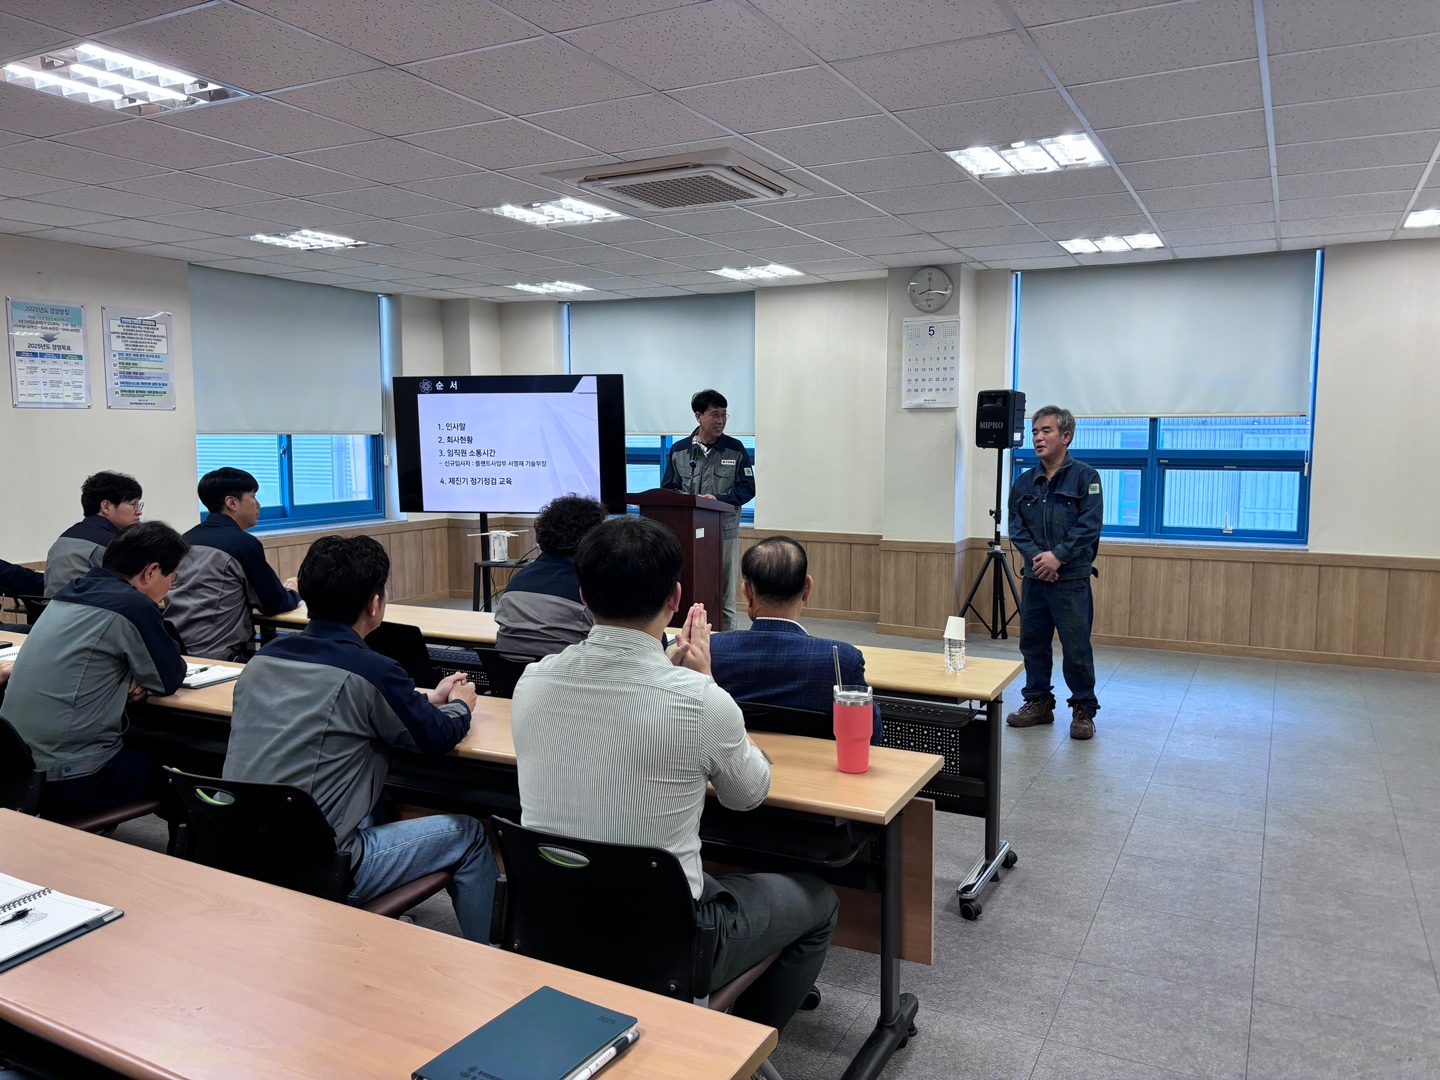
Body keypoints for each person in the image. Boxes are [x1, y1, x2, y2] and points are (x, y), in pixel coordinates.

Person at [512, 516, 837, 1033]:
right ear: (675, 597)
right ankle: (738, 1048)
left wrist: (676, 672)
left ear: (583, 596)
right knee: (820, 900)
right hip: (665, 942)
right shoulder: (701, 701)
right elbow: (748, 795)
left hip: (552, 922)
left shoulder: (532, 682)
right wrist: (707, 685)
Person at [223, 535, 498, 942]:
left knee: (370, 793)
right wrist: (460, 705)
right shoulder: (373, 669)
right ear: (374, 603)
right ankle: (492, 958)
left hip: (236, 845)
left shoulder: (263, 659)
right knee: (470, 834)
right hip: (316, 865)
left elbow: (347, 705)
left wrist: (425, 699)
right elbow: (437, 737)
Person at [1, 521, 188, 820]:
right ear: (151, 571)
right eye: (173, 577)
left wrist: (125, 676)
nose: (170, 587)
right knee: (184, 766)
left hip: (16, 768)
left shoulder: (69, 593)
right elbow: (167, 679)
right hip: (69, 779)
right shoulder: (133, 606)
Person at [710, 535, 882, 744]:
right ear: (807, 588)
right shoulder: (841, 660)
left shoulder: (711, 650)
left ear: (747, 592)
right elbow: (871, 736)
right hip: (820, 765)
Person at [1006, 406, 1104, 740]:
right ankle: (1038, 702)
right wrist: (1040, 559)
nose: (1037, 437)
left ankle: (1083, 709)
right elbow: (1017, 528)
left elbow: (1089, 525)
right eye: (1034, 432)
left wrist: (1058, 557)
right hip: (1036, 578)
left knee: (1076, 647)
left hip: (1071, 579)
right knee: (1032, 644)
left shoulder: (1086, 478)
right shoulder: (1024, 482)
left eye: (1045, 431)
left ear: (1066, 436)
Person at [165, 468, 300, 661]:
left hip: (175, 652)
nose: (258, 504)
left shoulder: (184, 540)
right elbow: (274, 604)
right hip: (221, 658)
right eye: (253, 496)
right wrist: (294, 591)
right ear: (231, 503)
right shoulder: (242, 545)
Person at [661, 389, 754, 631]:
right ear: (698, 416)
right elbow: (668, 489)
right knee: (686, 589)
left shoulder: (735, 449)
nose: (721, 421)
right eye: (715, 415)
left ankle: (726, 642)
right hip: (686, 534)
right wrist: (691, 501)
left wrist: (719, 499)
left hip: (724, 532)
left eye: (724, 415)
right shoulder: (679, 450)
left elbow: (747, 488)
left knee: (724, 596)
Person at [493, 494, 606, 662]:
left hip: (512, 676)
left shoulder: (517, 581)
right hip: (569, 675)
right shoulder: (592, 586)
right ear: (594, 540)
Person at [44, 471, 144, 597]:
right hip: (92, 608)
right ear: (106, 507)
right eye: (133, 505)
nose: (139, 512)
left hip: (51, 608)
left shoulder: (63, 538)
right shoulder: (116, 545)